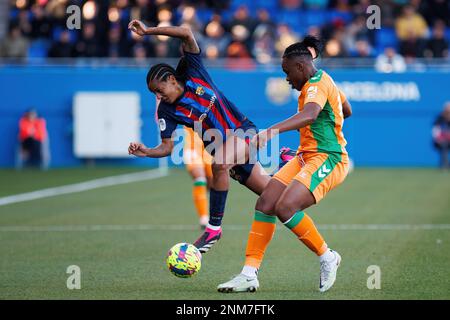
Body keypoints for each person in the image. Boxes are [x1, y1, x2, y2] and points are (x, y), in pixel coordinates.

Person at [218, 36, 352, 293]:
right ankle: (249, 274)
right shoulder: (324, 83)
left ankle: (328, 257)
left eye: (287, 72)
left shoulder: (316, 84)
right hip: (306, 155)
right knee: (266, 202)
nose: (286, 78)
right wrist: (332, 117)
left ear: (301, 66)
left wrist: (271, 131)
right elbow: (346, 109)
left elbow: (311, 114)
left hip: (329, 158)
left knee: (286, 207)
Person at [127, 20, 272, 254]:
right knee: (275, 197)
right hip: (223, 150)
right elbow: (166, 147)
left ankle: (213, 228)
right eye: (153, 93)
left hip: (242, 131)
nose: (158, 96)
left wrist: (148, 31)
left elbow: (185, 33)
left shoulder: (193, 70)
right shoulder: (167, 111)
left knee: (219, 164)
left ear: (172, 80)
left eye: (159, 90)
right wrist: (146, 150)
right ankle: (326, 253)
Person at [183, 126, 213, 229]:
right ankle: (204, 218)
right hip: (192, 148)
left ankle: (209, 209)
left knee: (212, 183)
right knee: (200, 178)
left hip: (209, 147)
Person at [432, 102, 450, 169]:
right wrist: (438, 138)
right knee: (444, 145)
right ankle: (445, 165)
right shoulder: (440, 118)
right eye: (447, 109)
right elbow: (435, 131)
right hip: (440, 141)